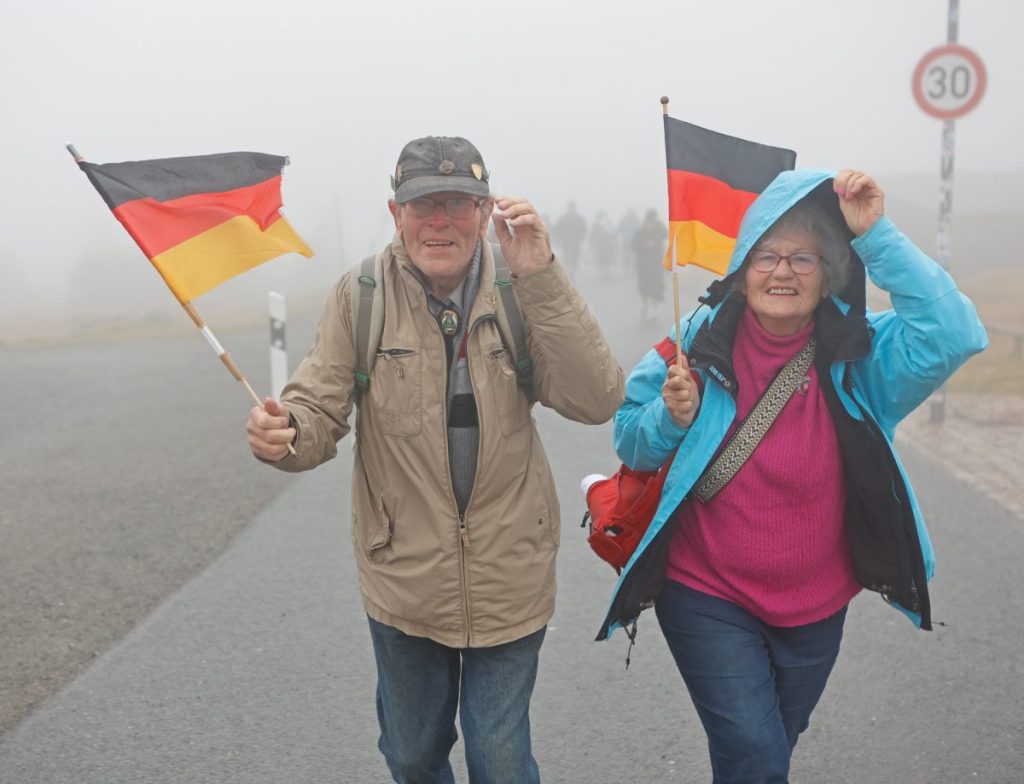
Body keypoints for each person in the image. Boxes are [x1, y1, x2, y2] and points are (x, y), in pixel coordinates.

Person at [247, 135, 624, 783]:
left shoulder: (521, 287)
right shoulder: (361, 294)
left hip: (510, 571)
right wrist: (287, 436)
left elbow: (596, 398)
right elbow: (317, 408)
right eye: (423, 205)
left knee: (500, 763)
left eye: (457, 203)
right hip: (405, 577)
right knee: (413, 755)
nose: (439, 222)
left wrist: (544, 275)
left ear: (484, 211)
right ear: (396, 214)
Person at [597, 169, 988, 782]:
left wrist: (877, 236)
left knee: (770, 744)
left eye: (802, 258)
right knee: (755, 756)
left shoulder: (860, 353)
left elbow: (956, 334)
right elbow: (629, 436)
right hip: (705, 591)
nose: (782, 272)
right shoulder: (694, 341)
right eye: (766, 256)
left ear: (829, 270)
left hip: (816, 604)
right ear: (742, 268)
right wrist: (669, 421)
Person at [632, 209, 668, 319]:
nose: (650, 224)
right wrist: (645, 246)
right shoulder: (640, 233)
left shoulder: (659, 230)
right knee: (644, 287)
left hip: (656, 264)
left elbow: (666, 234)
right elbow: (633, 245)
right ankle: (645, 305)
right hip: (643, 265)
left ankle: (654, 310)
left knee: (656, 288)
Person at [551, 201, 587, 276]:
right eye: (570, 207)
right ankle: (566, 272)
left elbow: (583, 229)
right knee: (566, 257)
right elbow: (557, 229)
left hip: (575, 242)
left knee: (575, 258)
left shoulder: (579, 219)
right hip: (566, 242)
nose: (571, 209)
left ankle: (573, 272)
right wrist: (558, 240)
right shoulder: (563, 219)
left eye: (572, 207)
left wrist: (581, 238)